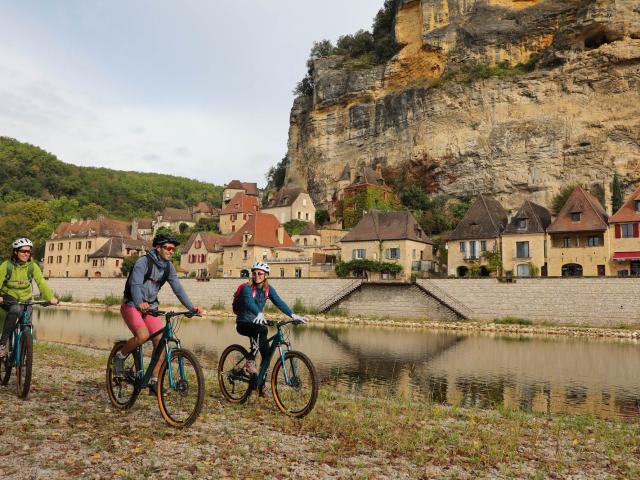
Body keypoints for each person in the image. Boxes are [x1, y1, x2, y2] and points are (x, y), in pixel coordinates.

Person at [113, 232, 202, 395]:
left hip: (150, 308)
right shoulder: (143, 262)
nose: (171, 251)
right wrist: (139, 302)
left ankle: (154, 382)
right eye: (168, 248)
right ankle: (120, 356)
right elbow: (135, 284)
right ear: (158, 247)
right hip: (132, 304)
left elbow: (178, 289)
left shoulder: (168, 267)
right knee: (142, 336)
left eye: (173, 249)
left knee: (160, 342)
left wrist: (191, 308)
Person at [234, 261, 305, 397]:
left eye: (260, 273)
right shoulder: (247, 288)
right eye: (254, 273)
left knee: (266, 356)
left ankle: (261, 387)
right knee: (263, 330)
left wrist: (292, 314)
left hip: (257, 323)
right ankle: (250, 362)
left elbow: (279, 302)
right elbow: (248, 301)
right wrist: (259, 313)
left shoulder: (268, 289)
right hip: (243, 323)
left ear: (266, 275)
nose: (256, 276)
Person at [0, 238, 59, 357]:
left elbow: (41, 283)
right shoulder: (7, 265)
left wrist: (51, 297)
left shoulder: (32, 266)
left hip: (26, 298)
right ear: (15, 252)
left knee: (26, 325)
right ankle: (2, 344)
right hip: (8, 297)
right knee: (15, 309)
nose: (26, 254)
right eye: (23, 251)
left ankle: (22, 357)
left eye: (28, 252)